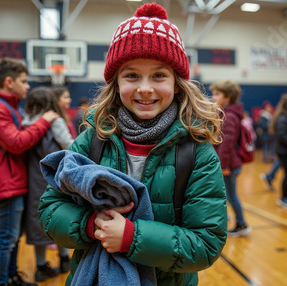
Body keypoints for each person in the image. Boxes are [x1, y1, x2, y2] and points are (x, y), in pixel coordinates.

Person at [37, 3, 227, 285]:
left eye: (159, 75)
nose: (145, 88)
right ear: (116, 83)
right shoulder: (92, 139)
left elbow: (206, 243)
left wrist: (130, 237)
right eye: (132, 75)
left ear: (177, 84)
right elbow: (49, 209)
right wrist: (91, 226)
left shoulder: (196, 151)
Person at [0, 58, 58, 286]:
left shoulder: (6, 107)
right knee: (7, 238)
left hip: (12, 180)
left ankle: (11, 276)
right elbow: (16, 142)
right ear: (9, 82)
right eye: (24, 81)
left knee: (13, 237)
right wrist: (45, 120)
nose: (28, 87)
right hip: (4, 182)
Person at [22, 87, 72, 282]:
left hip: (32, 177)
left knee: (38, 221)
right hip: (54, 177)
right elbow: (70, 146)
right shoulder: (55, 121)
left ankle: (41, 266)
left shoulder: (25, 123)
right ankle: (64, 258)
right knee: (58, 216)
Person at [210, 80, 252, 236]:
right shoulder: (225, 113)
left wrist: (223, 165)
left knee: (231, 196)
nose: (213, 97)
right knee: (227, 194)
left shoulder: (229, 116)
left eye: (217, 94)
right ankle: (227, 217)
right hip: (228, 164)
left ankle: (242, 224)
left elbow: (226, 144)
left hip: (229, 165)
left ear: (227, 98)